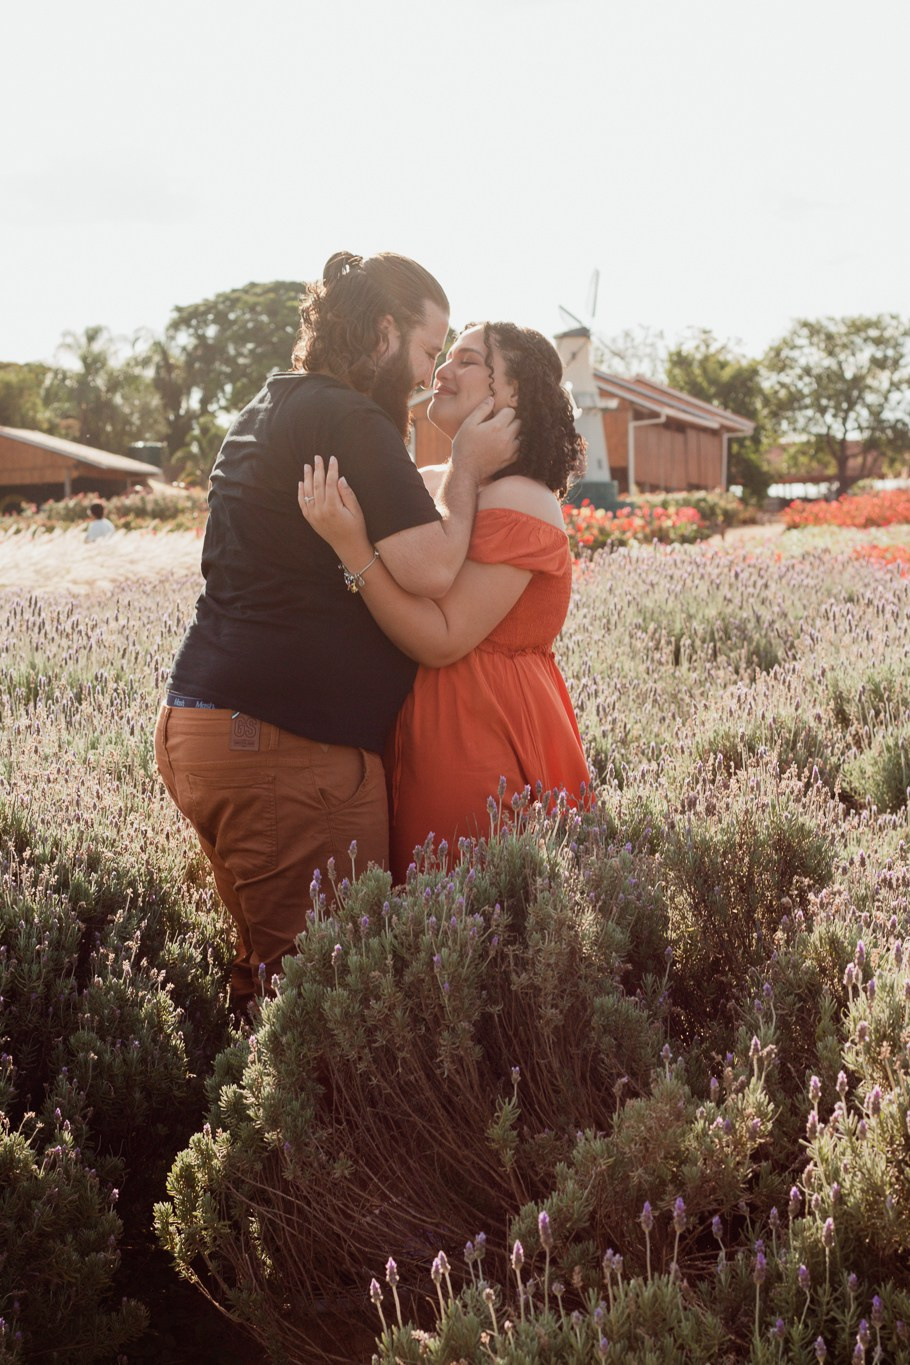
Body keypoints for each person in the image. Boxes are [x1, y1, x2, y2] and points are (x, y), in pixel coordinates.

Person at [154, 253, 518, 1013]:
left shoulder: (274, 402)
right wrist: (466, 462)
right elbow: (433, 568)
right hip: (286, 748)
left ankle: (251, 1125)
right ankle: (303, 1135)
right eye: (427, 350)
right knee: (326, 1002)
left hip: (207, 725)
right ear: (384, 332)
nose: (427, 377)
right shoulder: (348, 416)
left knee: (270, 979)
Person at [299, 321, 590, 881]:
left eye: (468, 360)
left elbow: (442, 639)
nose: (442, 371)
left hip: (481, 737)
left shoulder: (521, 498)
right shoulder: (439, 479)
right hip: (410, 730)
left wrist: (351, 546)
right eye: (444, 356)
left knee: (472, 917)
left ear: (512, 393)